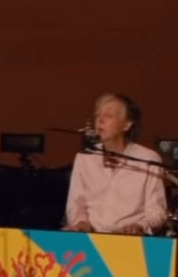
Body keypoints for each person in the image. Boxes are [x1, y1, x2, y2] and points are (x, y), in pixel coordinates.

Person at [64, 93, 167, 235]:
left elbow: (157, 213)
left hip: (130, 241)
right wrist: (81, 222)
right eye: (98, 114)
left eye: (109, 115)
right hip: (90, 238)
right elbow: (75, 203)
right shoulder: (85, 156)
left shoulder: (148, 158)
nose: (100, 119)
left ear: (126, 125)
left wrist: (140, 226)